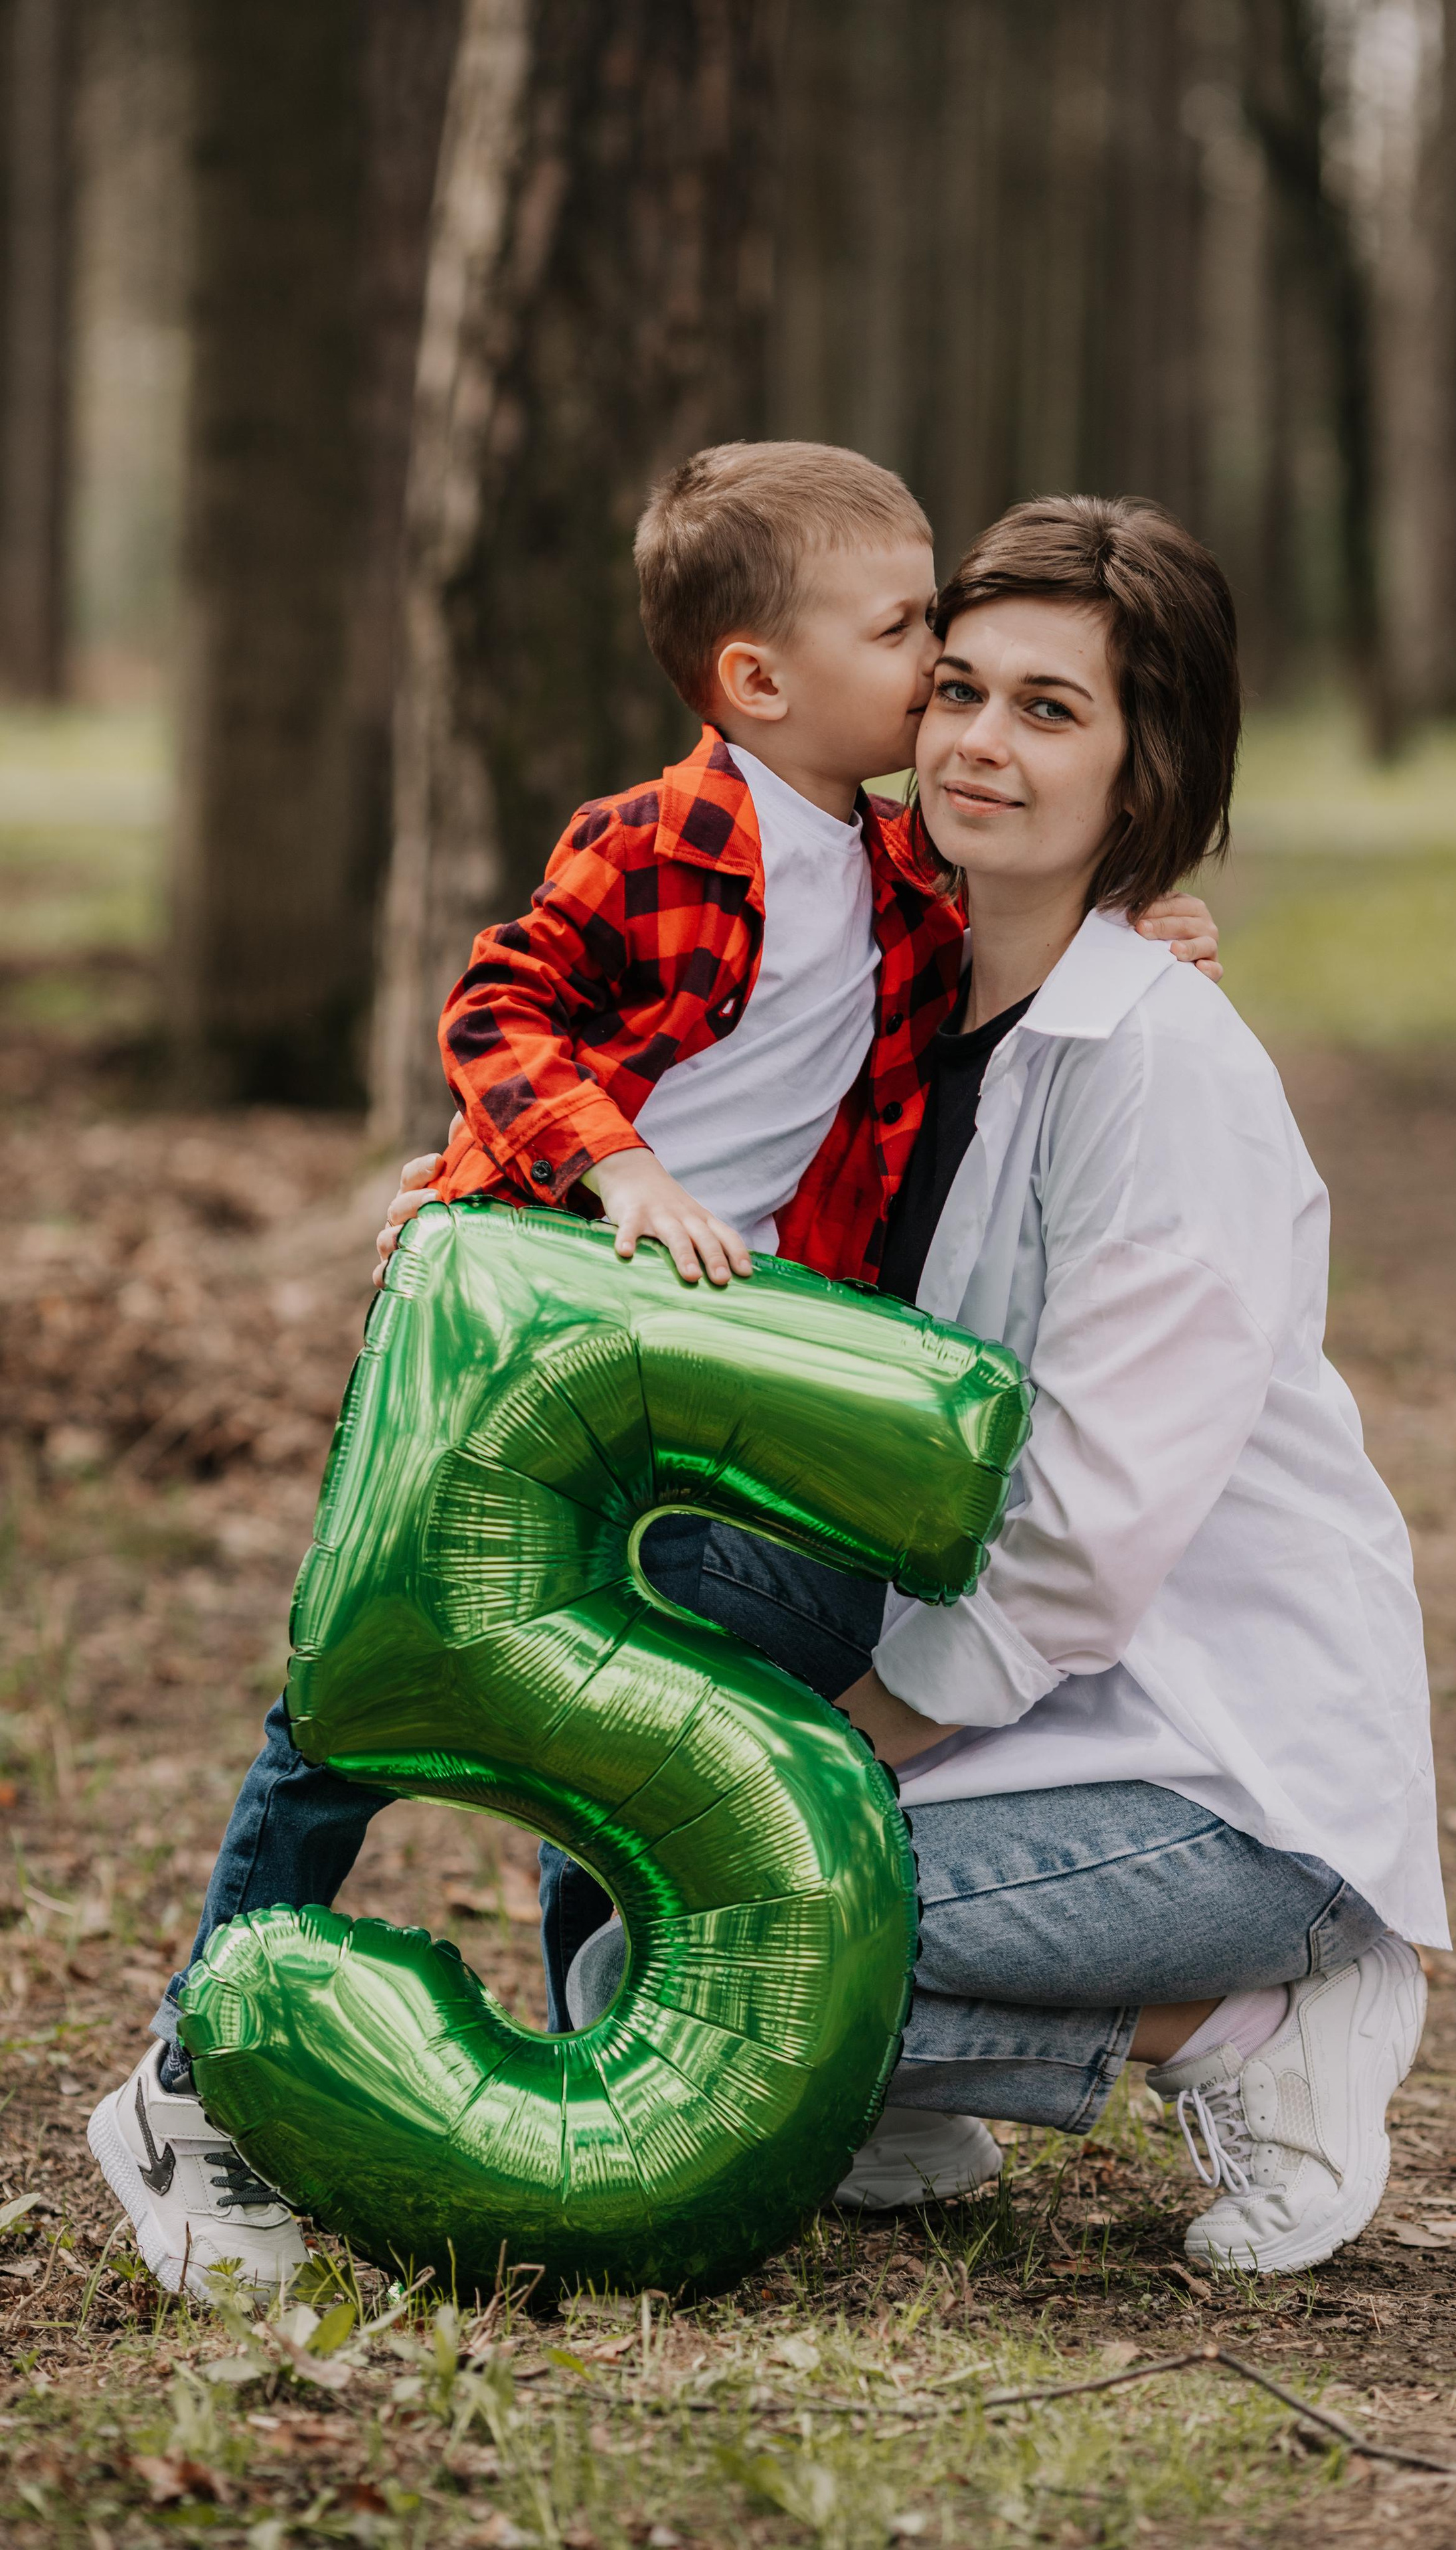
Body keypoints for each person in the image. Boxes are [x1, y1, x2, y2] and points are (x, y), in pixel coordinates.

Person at [88, 444, 1221, 2299]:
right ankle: (192, 2071)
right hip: (516, 1345)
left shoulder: (886, 863)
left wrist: (1140, 929)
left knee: (627, 1730)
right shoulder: (662, 837)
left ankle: (588, 2088)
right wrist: (605, 1164)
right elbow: (494, 1010)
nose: (937, 661)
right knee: (355, 1717)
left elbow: (984, 984)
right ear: (758, 680)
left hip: (683, 1391)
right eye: (907, 628)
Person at [566, 493, 1448, 2274]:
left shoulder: (1160, 1078)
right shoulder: (900, 1002)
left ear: (1147, 768)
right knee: (626, 1761)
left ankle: (1250, 2027)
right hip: (1021, 1700)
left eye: (1052, 711)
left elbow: (1084, 1539)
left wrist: (825, 1754)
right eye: (958, 686)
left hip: (1219, 1769)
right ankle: (901, 2088)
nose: (976, 742)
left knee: (660, 1962)